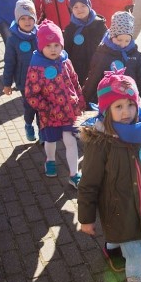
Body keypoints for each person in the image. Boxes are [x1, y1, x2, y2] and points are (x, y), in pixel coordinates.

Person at [77, 69, 141, 282]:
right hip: (116, 209)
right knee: (135, 255)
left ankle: (112, 248)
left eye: (130, 104)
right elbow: (89, 183)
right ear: (106, 111)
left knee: (127, 241)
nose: (126, 111)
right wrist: (86, 218)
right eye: (118, 106)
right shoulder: (101, 143)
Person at [24, 20, 85, 187]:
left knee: (70, 141)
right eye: (48, 45)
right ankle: (50, 160)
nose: (53, 49)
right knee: (50, 141)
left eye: (57, 45)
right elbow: (31, 93)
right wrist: (46, 107)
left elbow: (75, 81)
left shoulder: (66, 61)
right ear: (41, 46)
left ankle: (74, 174)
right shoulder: (36, 67)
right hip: (50, 114)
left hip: (69, 111)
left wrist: (80, 99)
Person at [82, 11, 141, 111]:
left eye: (127, 40)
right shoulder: (102, 53)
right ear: (112, 36)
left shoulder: (136, 56)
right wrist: (85, 100)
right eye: (119, 40)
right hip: (108, 103)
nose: (123, 44)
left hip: (130, 102)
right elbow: (93, 78)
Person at [2, 0, 39, 142]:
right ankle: (29, 125)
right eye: (23, 18)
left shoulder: (40, 34)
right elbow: (9, 63)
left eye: (30, 18)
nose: (27, 21)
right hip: (25, 82)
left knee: (42, 108)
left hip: (42, 81)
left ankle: (43, 132)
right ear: (17, 20)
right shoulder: (13, 39)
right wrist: (7, 84)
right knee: (30, 107)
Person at [63, 0, 107, 93]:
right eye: (75, 7)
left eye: (83, 5)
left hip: (98, 69)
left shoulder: (100, 25)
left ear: (89, 6)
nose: (80, 9)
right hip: (78, 70)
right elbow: (66, 51)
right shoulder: (70, 29)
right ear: (71, 9)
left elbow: (108, 46)